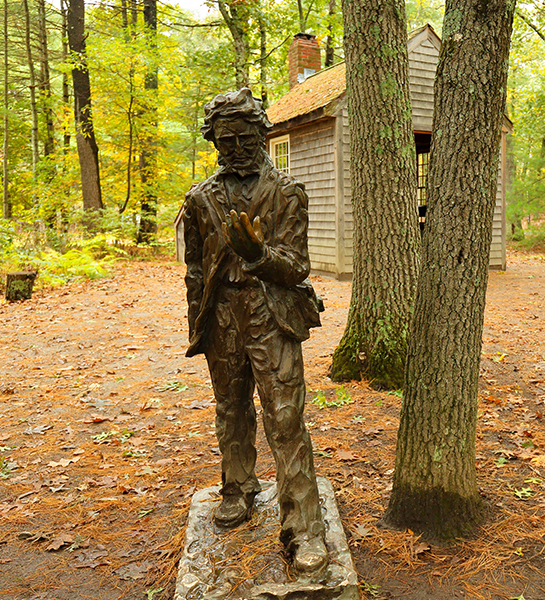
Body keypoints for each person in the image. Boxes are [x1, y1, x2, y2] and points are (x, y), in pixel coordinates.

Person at [182, 87, 328, 574]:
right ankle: (238, 487)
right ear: (214, 141)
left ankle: (303, 526)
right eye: (227, 139)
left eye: (247, 136)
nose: (238, 147)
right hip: (222, 317)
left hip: (271, 316)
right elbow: (196, 271)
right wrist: (197, 328)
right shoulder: (200, 199)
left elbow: (298, 267)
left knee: (285, 419)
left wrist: (258, 257)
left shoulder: (287, 192)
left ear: (263, 133)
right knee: (231, 408)